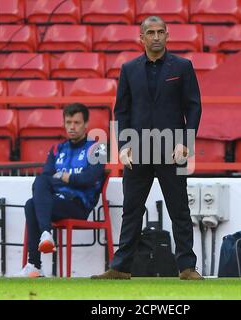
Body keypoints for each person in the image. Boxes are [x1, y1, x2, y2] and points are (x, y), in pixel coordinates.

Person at [91, 16, 203, 280]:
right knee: (131, 209)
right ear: (141, 38)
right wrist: (124, 147)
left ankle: (187, 268)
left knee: (179, 209)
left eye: (160, 32)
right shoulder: (128, 69)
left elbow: (193, 106)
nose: (156, 37)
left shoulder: (183, 66)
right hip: (138, 149)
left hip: (172, 149)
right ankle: (120, 268)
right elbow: (122, 110)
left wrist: (185, 143)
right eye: (150, 32)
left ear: (167, 35)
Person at [19, 103, 105, 277]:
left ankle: (37, 256)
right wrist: (63, 180)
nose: (72, 127)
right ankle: (42, 246)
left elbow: (90, 178)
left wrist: (66, 178)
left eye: (77, 122)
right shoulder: (57, 149)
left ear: (86, 124)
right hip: (55, 201)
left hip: (78, 205)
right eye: (68, 122)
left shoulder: (98, 148)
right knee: (33, 197)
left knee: (33, 204)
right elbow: (46, 177)